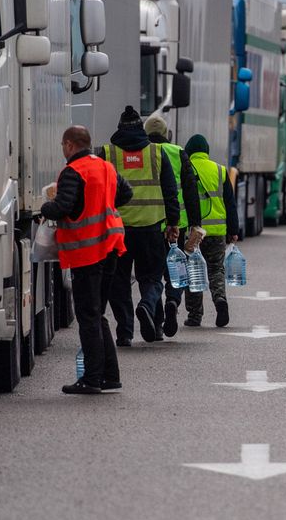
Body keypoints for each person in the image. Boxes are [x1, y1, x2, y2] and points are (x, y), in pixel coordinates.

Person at [41, 125, 130, 395]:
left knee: (88, 316)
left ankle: (91, 379)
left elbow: (63, 207)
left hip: (88, 251)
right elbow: (126, 194)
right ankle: (109, 376)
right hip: (112, 246)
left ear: (69, 145)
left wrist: (44, 207)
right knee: (97, 313)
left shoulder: (73, 171)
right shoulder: (105, 167)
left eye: (62, 145)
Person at [102, 106, 181, 345]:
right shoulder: (156, 153)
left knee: (119, 282)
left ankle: (125, 332)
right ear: (140, 128)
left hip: (118, 231)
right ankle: (147, 306)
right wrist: (173, 223)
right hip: (151, 228)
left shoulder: (108, 154)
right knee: (152, 278)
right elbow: (170, 191)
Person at [144, 114, 205, 338]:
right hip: (177, 225)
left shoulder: (143, 153)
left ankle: (157, 321)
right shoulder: (179, 152)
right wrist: (196, 223)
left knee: (152, 275)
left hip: (149, 223)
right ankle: (173, 300)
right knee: (176, 272)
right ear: (166, 134)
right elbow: (190, 190)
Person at [181, 134, 240, 328]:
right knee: (216, 269)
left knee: (194, 271)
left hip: (194, 232)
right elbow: (230, 205)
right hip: (216, 232)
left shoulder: (185, 168)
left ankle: (195, 316)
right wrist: (233, 230)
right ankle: (220, 299)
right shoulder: (220, 171)